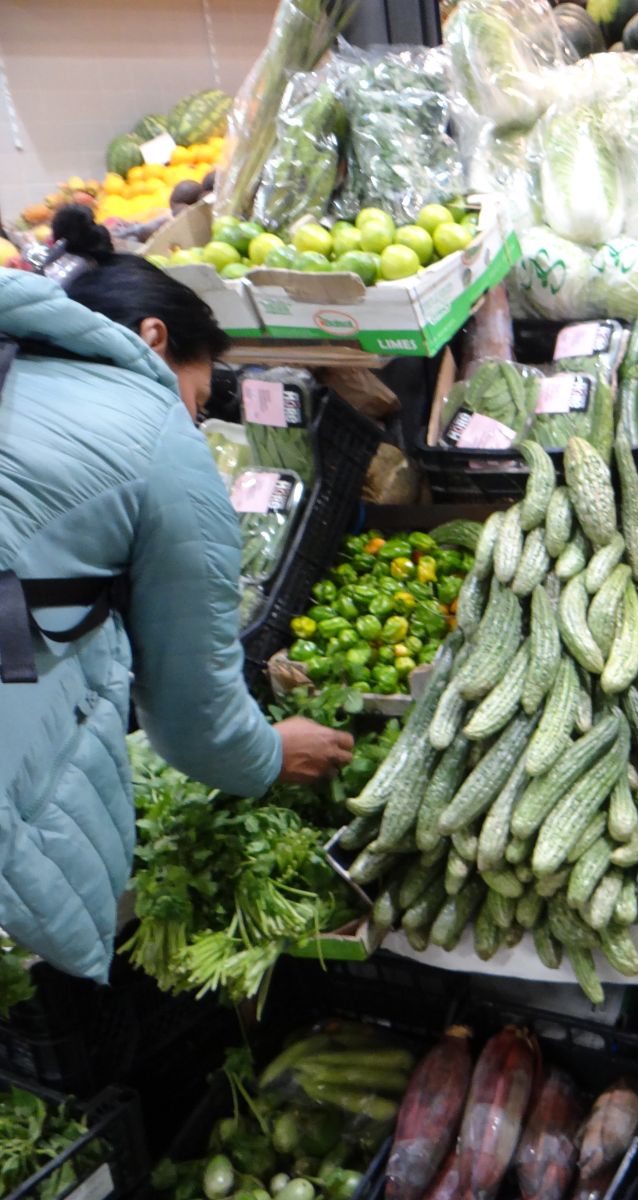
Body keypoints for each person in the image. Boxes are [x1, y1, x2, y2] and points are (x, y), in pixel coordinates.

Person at [0, 208, 354, 982]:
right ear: (155, 339)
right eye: (201, 400)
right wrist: (267, 755)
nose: (195, 418)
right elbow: (195, 718)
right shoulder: (153, 428)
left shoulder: (19, 368)